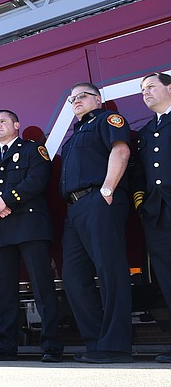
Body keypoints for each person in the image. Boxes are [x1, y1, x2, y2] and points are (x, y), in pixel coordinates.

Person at [0, 110, 63, 362]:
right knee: (6, 293)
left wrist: (7, 200)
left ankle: (51, 345)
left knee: (43, 287)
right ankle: (6, 346)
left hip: (30, 227)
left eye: (2, 121)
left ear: (16, 125)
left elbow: (37, 180)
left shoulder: (33, 150)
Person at [60, 83, 133, 364]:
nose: (76, 101)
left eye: (82, 96)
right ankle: (96, 344)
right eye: (72, 98)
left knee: (110, 271)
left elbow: (121, 151)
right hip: (75, 209)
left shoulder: (107, 120)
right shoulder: (73, 137)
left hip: (99, 201)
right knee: (74, 278)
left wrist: (107, 189)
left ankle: (116, 347)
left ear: (98, 99)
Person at [133, 72, 171, 364]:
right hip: (157, 214)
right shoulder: (146, 132)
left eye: (151, 87)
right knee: (167, 278)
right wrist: (142, 204)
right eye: (142, 89)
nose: (145, 93)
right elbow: (139, 176)